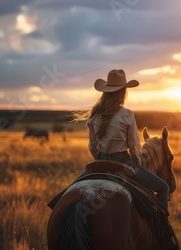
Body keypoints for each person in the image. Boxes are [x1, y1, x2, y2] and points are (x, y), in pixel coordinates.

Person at [73, 69, 170, 211]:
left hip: (100, 161)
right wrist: (139, 163)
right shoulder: (127, 114)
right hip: (123, 162)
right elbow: (134, 147)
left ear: (106, 92)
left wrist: (100, 160)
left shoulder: (95, 115)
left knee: (71, 190)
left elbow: (92, 147)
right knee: (163, 187)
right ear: (123, 92)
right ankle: (163, 230)